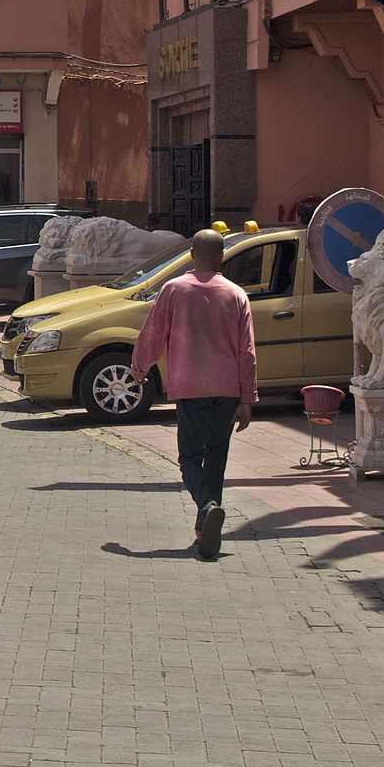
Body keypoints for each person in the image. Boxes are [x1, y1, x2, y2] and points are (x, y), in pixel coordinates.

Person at [131, 229, 256, 561]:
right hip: (227, 389)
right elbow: (247, 351)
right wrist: (247, 398)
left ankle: (207, 506)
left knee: (189, 458)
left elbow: (152, 334)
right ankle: (205, 531)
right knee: (216, 459)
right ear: (221, 257)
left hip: (190, 387)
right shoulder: (236, 294)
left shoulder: (174, 290)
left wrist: (139, 370)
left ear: (191, 255)